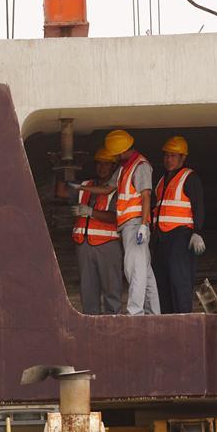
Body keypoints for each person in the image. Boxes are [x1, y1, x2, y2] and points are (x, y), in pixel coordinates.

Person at [55, 148, 123, 314]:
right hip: (84, 245)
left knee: (111, 289)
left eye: (106, 164)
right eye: (99, 163)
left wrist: (91, 212)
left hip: (108, 245)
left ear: (114, 167)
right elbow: (61, 192)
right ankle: (91, 328)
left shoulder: (118, 189)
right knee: (88, 290)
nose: (102, 167)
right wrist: (61, 169)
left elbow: (116, 217)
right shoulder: (86, 185)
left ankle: (112, 326)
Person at [102, 129, 160, 315]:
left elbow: (146, 197)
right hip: (129, 225)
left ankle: (135, 313)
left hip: (135, 225)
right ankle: (153, 314)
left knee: (134, 270)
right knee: (145, 272)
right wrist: (79, 187)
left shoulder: (140, 166)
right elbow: (107, 188)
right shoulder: (124, 168)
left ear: (121, 151)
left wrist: (144, 224)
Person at [151, 135, 206, 314]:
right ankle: (167, 322)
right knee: (162, 282)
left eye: (173, 156)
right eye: (166, 155)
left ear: (183, 157)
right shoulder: (161, 181)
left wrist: (197, 232)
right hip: (161, 239)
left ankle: (183, 322)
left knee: (179, 281)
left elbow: (198, 206)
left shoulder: (190, 178)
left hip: (181, 238)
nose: (169, 159)